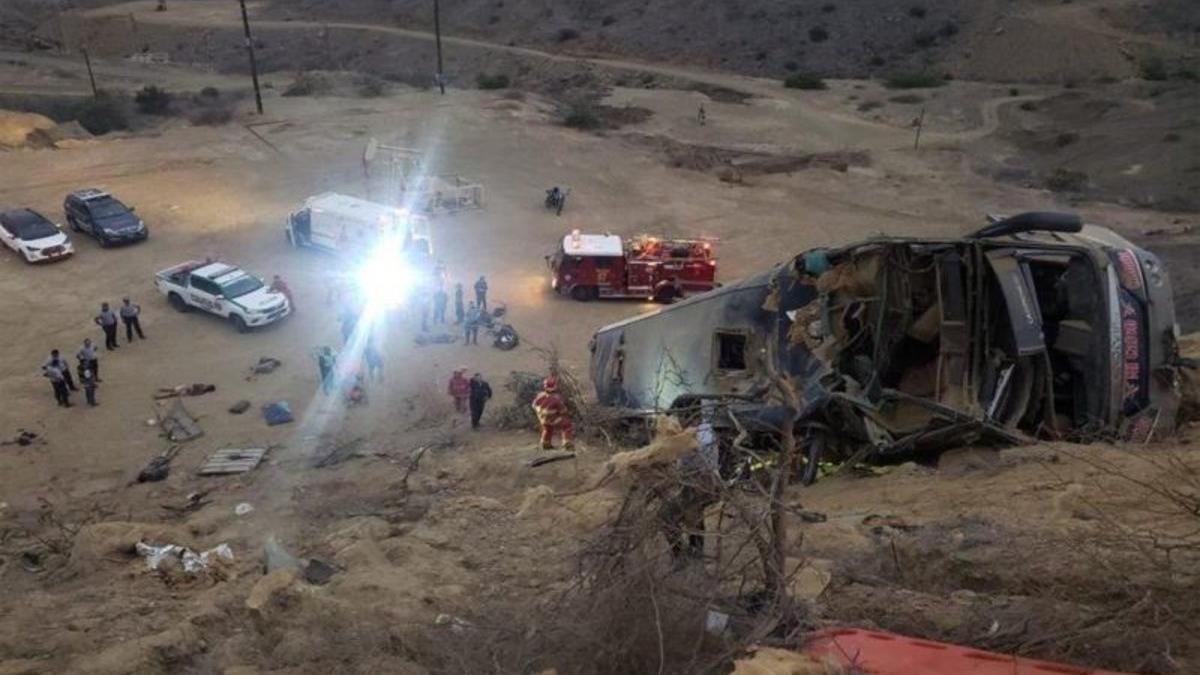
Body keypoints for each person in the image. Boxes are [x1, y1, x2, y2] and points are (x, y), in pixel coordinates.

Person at [532, 376, 574, 450]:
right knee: (567, 425)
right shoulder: (556, 398)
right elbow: (563, 411)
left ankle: (545, 443)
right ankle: (567, 444)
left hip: (542, 419)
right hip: (552, 419)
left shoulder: (540, 395)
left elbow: (534, 405)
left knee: (547, 429)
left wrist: (539, 412)